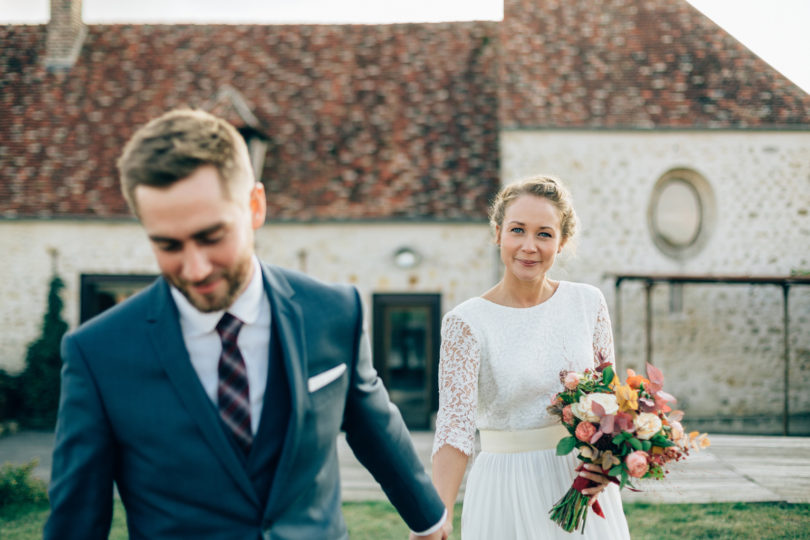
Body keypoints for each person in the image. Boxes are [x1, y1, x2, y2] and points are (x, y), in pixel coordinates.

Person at [45, 109, 447, 540]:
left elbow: (373, 423)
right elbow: (76, 522)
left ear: (255, 207)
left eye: (211, 236)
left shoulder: (333, 311)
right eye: (168, 245)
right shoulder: (98, 353)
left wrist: (430, 519)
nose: (195, 268)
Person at [431, 176, 631, 539]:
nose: (529, 246)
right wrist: (438, 517)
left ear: (562, 241)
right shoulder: (466, 322)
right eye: (517, 230)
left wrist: (608, 461)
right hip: (505, 487)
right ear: (497, 233)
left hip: (582, 482)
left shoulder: (589, 303)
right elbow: (454, 429)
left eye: (544, 234)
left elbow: (611, 402)